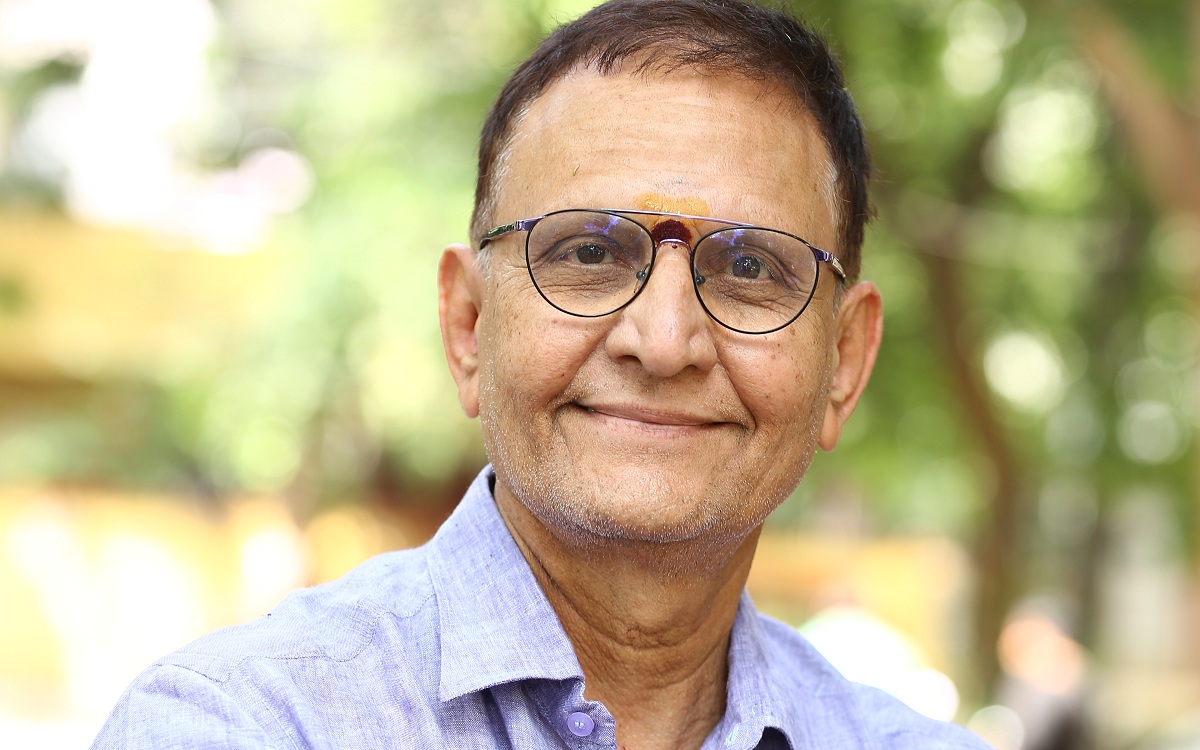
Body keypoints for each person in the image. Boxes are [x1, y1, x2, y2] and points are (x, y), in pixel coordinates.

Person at [93, 1, 990, 748]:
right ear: (469, 326)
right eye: (589, 252)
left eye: (750, 267)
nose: (664, 341)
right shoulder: (244, 725)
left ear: (844, 365)